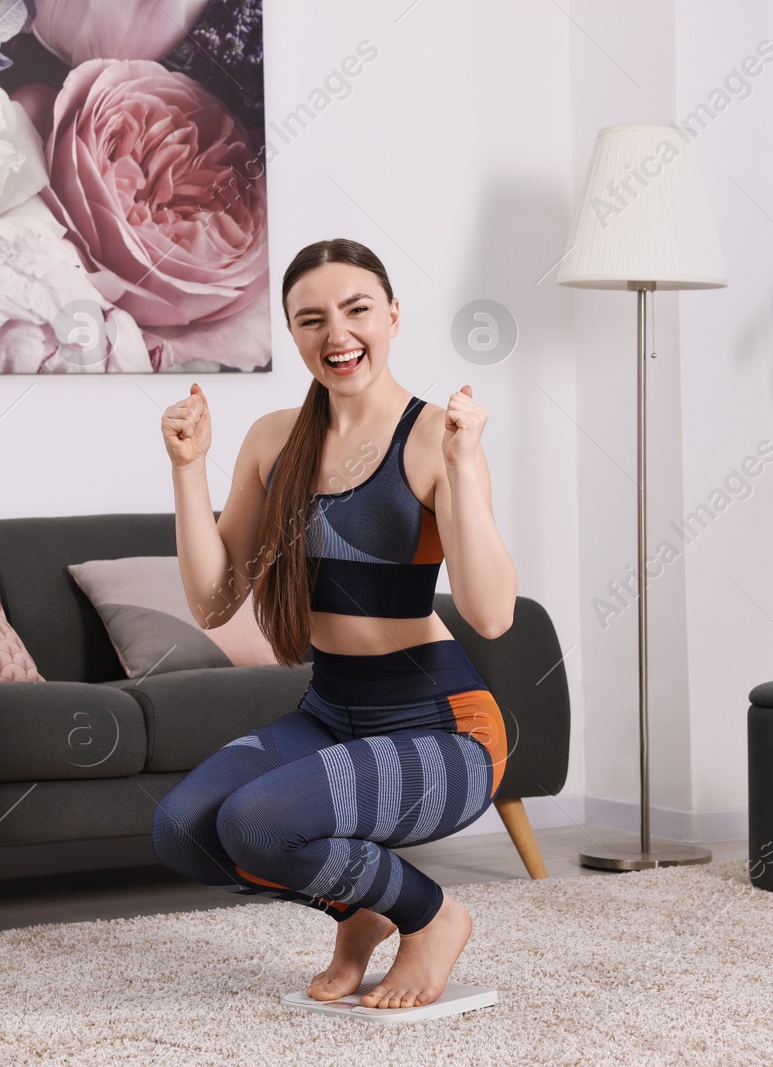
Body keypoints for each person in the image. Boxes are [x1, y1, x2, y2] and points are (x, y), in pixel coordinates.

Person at [151, 237, 518, 1011]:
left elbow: (491, 612)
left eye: (356, 310)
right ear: (292, 333)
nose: (337, 334)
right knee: (183, 829)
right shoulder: (272, 439)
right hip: (333, 712)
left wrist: (465, 466)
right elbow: (215, 602)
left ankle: (433, 917)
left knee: (258, 822)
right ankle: (362, 911)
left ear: (392, 314)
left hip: (444, 730)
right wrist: (189, 469)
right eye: (310, 318)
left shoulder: (434, 440)